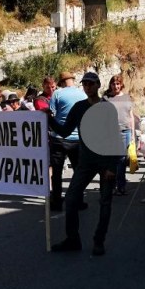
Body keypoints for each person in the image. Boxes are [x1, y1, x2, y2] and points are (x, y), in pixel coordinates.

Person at [48, 72, 120, 256]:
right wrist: (48, 118)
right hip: (86, 161)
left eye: (91, 84)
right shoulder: (79, 107)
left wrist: (112, 167)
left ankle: (99, 241)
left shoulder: (108, 108)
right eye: (85, 84)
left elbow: (114, 138)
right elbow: (64, 131)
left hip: (105, 160)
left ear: (98, 85)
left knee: (105, 203)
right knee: (71, 199)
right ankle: (72, 239)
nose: (88, 87)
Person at [48, 71, 87, 211]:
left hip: (58, 138)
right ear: (72, 80)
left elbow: (51, 113)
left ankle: (57, 202)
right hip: (77, 139)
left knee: (57, 173)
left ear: (62, 82)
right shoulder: (82, 94)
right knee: (78, 172)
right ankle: (79, 201)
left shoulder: (57, 94)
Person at [103, 74, 135, 196]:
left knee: (121, 160)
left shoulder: (127, 98)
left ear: (121, 85)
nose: (116, 86)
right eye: (113, 84)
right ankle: (109, 186)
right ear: (110, 85)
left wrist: (132, 134)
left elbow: (131, 116)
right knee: (110, 159)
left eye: (118, 84)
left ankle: (121, 186)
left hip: (125, 132)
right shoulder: (106, 98)